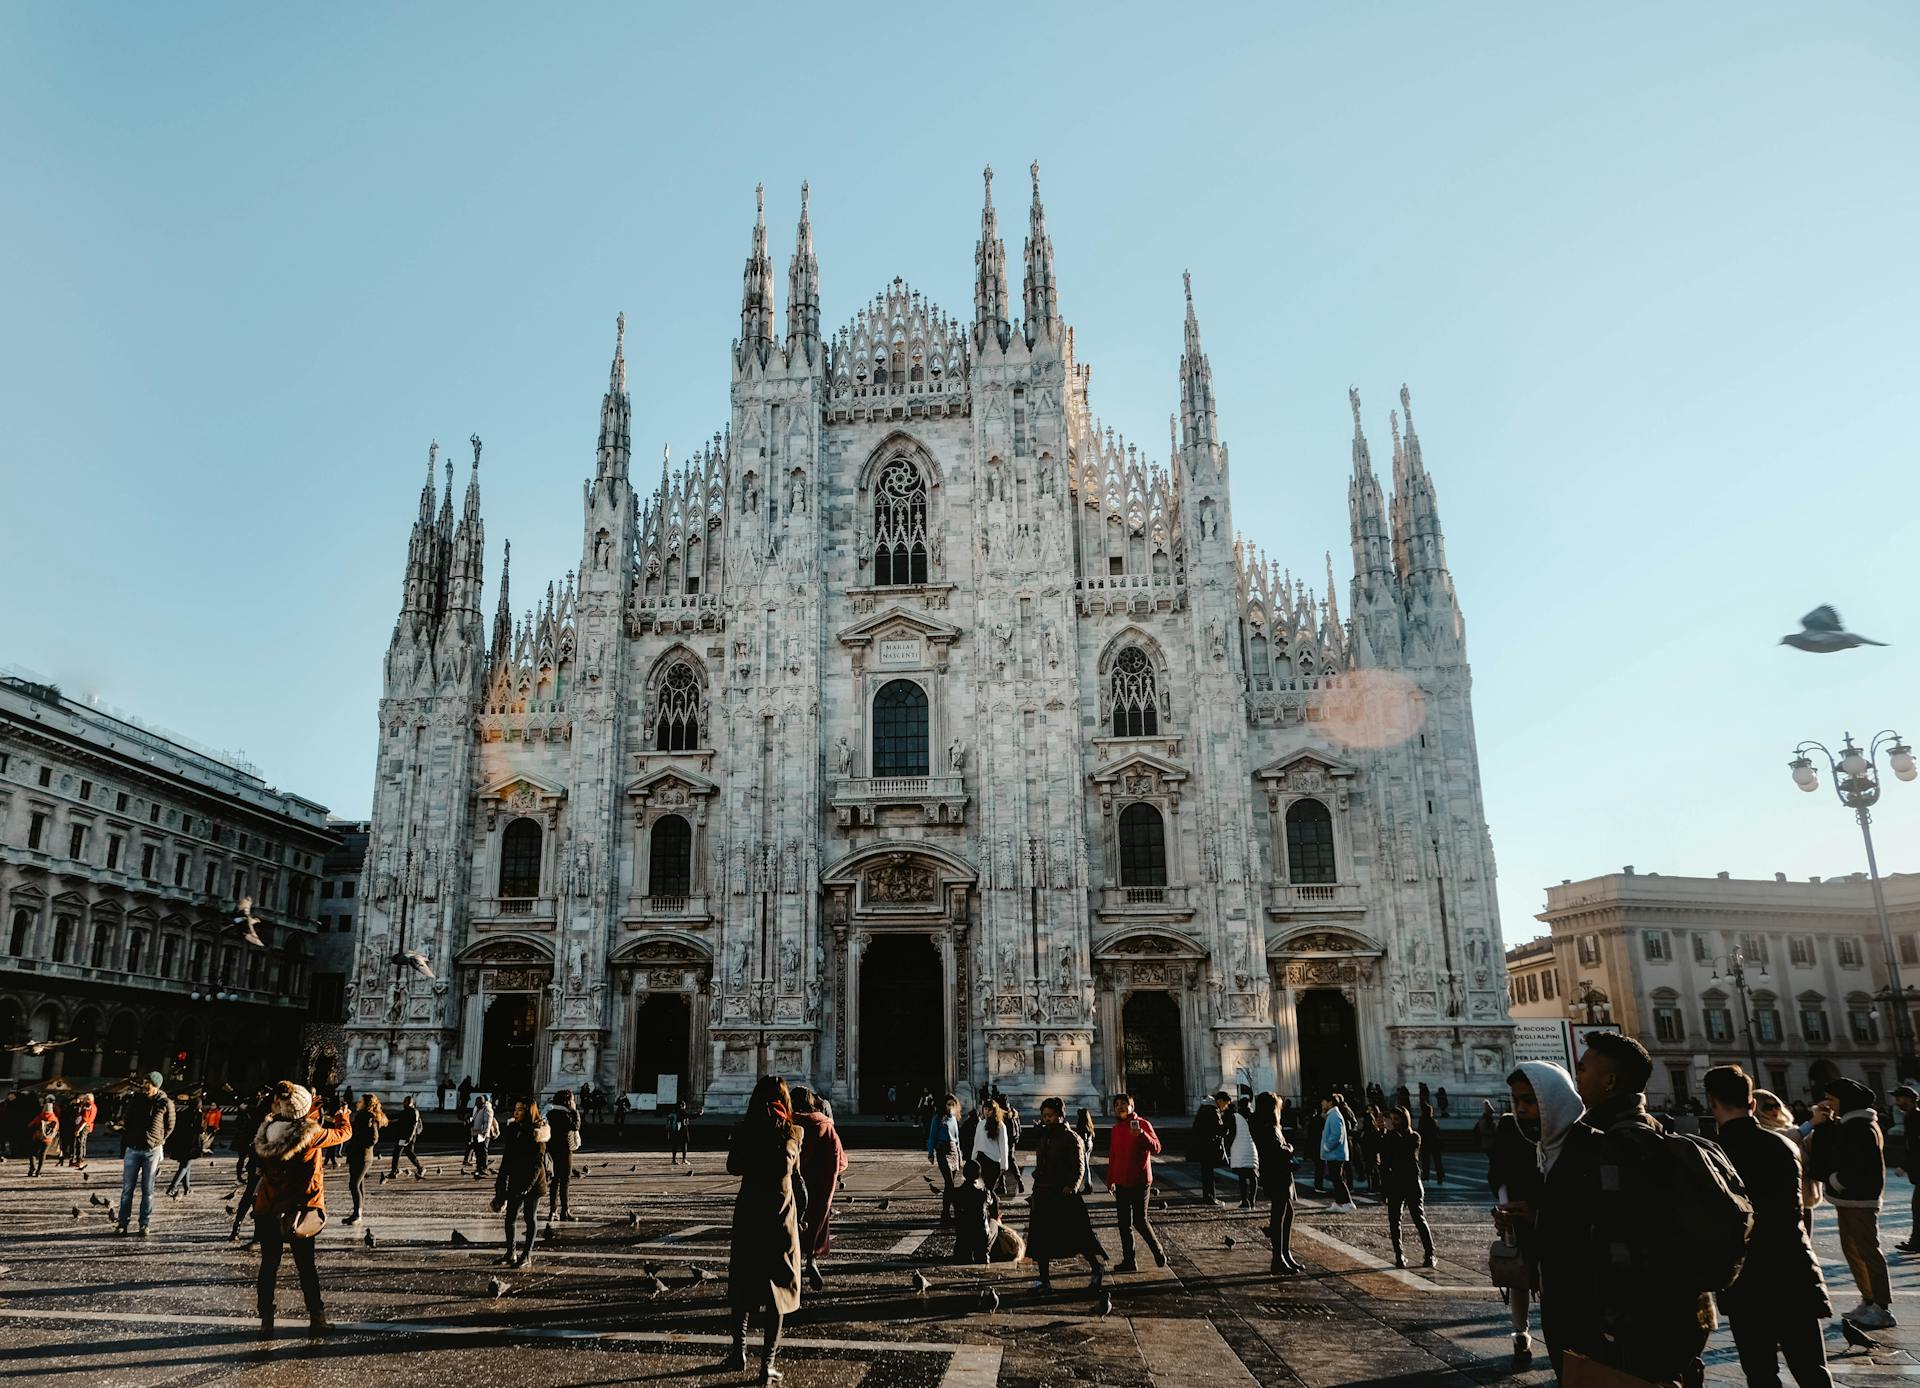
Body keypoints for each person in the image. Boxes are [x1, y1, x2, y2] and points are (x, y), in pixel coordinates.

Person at [1533, 1031, 1715, 1385]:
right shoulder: (1659, 1131)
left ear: (1610, 1080)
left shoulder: (1600, 1143)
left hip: (1620, 1316)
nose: (1577, 1077)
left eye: (1583, 1069)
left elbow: (1601, 1232)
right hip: (1677, 1308)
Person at [1704, 1065, 1833, 1387]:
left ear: (1712, 1103)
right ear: (1751, 1104)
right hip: (1792, 1265)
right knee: (1812, 1369)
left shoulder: (1711, 1154)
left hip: (1745, 1276)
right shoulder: (1783, 1146)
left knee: (1761, 1373)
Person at [1489, 1062, 1577, 1370]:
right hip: (1520, 1220)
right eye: (1517, 1101)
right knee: (1519, 1276)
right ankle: (1521, 1332)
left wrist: (1537, 1214)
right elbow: (1498, 1171)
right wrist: (1504, 1206)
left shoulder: (1578, 1139)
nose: (1522, 1108)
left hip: (1564, 1241)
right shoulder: (1510, 1128)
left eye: (1529, 1100)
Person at [251, 1082, 352, 1337]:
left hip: (267, 1209)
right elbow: (343, 1133)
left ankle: (266, 1320)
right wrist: (343, 1115)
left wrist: (310, 1111)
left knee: (268, 1265)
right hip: (299, 1211)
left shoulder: (269, 1130)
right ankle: (317, 1318)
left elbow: (292, 1122)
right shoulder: (312, 1135)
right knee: (306, 1267)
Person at [723, 1076, 804, 1382]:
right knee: (779, 1286)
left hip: (749, 1213)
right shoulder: (794, 1132)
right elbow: (794, 1174)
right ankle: (766, 1363)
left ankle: (738, 1351)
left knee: (743, 1281)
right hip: (779, 1216)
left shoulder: (746, 1129)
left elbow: (734, 1166)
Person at [1809, 1076, 1893, 1328]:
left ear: (1845, 1100)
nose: (1829, 1103)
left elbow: (1861, 1165)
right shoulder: (1850, 1124)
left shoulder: (1861, 1127)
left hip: (1860, 1199)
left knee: (1867, 1251)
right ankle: (1869, 1301)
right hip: (1849, 1199)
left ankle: (1881, 1306)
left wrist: (1838, 1180)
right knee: (1854, 1251)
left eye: (1832, 1099)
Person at [1026, 1096, 1107, 1293]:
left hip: (1063, 1194)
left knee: (1078, 1236)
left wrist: (1072, 1186)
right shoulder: (1044, 1136)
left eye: (1051, 1116)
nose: (1047, 1119)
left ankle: (1096, 1267)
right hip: (1043, 1192)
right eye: (1044, 1116)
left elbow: (1079, 1166)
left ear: (1061, 1116)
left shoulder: (1071, 1137)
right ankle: (1044, 1280)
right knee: (1041, 1239)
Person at [791, 1086, 846, 1290]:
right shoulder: (824, 1125)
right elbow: (841, 1159)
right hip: (818, 1186)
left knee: (791, 1227)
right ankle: (811, 1260)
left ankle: (790, 1270)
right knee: (815, 1223)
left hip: (794, 1185)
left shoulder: (789, 1124)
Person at [1107, 1094, 1166, 1272]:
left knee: (1140, 1220)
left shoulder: (1143, 1124)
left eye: (1124, 1104)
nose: (1120, 1107)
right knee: (1124, 1223)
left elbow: (1157, 1148)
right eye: (1116, 1104)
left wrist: (1142, 1135)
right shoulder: (1116, 1129)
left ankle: (1158, 1251)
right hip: (1122, 1182)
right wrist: (1110, 1180)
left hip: (1140, 1180)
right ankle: (1129, 1261)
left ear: (1132, 1106)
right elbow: (1113, 1156)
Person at [490, 1096, 550, 1267]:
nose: (516, 1113)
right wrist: (500, 1181)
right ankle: (511, 1253)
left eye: (521, 1109)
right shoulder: (513, 1128)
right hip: (516, 1179)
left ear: (529, 1111)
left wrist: (527, 1186)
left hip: (534, 1181)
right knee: (510, 1217)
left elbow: (538, 1163)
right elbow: (507, 1157)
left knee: (530, 1217)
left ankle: (527, 1255)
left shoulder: (539, 1131)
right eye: (515, 1109)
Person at [114, 1074, 174, 1235]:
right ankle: (122, 1223)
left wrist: (157, 1140)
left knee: (148, 1190)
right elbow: (127, 1120)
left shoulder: (165, 1102)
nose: (145, 1085)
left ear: (157, 1085)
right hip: (133, 1148)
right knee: (127, 1190)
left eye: (148, 1083)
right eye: (145, 1082)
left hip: (151, 1150)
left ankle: (144, 1224)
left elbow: (170, 1126)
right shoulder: (136, 1100)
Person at [1378, 1106, 1435, 1269]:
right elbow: (1384, 1160)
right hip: (1394, 1183)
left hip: (1411, 1182)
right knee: (1394, 1221)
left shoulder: (1414, 1137)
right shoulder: (1388, 1137)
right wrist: (1384, 1190)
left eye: (1397, 1119)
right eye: (1392, 1119)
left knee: (1419, 1218)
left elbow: (1407, 1154)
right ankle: (1399, 1255)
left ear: (1405, 1119)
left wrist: (1390, 1134)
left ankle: (1430, 1253)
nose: (1394, 1122)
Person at [1249, 1093, 1300, 1274]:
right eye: (1278, 1106)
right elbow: (1278, 1151)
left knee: (1288, 1214)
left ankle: (1285, 1255)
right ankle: (1278, 1258)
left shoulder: (1267, 1125)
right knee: (1279, 1217)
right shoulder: (1267, 1127)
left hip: (1278, 1174)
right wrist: (1290, 1148)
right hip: (1276, 1175)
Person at [341, 1094, 386, 1225]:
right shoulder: (362, 1115)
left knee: (353, 1184)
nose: (357, 1103)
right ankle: (358, 1212)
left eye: (360, 1101)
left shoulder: (368, 1117)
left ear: (366, 1104)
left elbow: (373, 1138)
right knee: (359, 1184)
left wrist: (360, 1145)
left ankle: (357, 1214)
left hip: (363, 1156)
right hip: (358, 1154)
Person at [1890, 1085, 1920, 1253]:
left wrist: (1904, 1165)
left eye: (1899, 1098)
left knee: (1918, 1207)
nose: (1897, 1102)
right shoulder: (1910, 1117)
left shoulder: (1915, 1117)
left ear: (1909, 1100)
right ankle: (1916, 1242)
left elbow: (1916, 1146)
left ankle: (1916, 1243)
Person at [952, 1158, 998, 1264]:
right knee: (994, 1222)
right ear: (978, 1175)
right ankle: (985, 1253)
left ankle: (963, 1253)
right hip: (980, 1237)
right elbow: (994, 1210)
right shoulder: (984, 1193)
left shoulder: (956, 1193)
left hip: (963, 1236)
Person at [926, 1093, 962, 1225]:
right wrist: (930, 1153)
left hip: (953, 1151)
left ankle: (946, 1214)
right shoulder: (938, 1118)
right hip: (942, 1150)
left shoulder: (954, 1119)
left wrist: (960, 1156)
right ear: (944, 1105)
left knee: (949, 1185)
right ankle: (954, 1211)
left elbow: (957, 1139)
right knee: (950, 1183)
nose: (950, 1107)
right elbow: (931, 1136)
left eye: (953, 1104)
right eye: (948, 1104)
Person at [546, 1089, 580, 1221]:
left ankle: (552, 1211)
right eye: (572, 1099)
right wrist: (575, 1111)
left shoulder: (551, 1113)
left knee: (554, 1181)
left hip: (552, 1149)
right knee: (565, 1181)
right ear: (568, 1101)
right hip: (565, 1150)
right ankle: (565, 1211)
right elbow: (575, 1126)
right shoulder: (566, 1114)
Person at [164, 1093, 206, 1196]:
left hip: (182, 1143)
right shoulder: (198, 1115)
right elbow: (200, 1129)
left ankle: (187, 1188)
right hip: (192, 1143)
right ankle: (173, 1187)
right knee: (185, 1166)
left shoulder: (184, 1113)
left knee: (187, 1165)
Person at [1318, 1095, 1355, 1212]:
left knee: (1338, 1178)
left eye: (1323, 1101)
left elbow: (1337, 1134)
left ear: (1330, 1103)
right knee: (1335, 1178)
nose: (1322, 1103)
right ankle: (1339, 1202)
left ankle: (1348, 1202)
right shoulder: (1332, 1115)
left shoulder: (1334, 1116)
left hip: (1335, 1153)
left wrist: (1327, 1147)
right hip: (1334, 1153)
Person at [1225, 1093, 1259, 1208]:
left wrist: (1228, 1146)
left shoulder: (1235, 1117)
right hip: (1252, 1148)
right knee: (1253, 1175)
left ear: (1239, 1106)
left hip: (1239, 1148)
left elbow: (1231, 1134)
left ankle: (1245, 1201)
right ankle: (1252, 1200)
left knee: (1242, 1177)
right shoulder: (1254, 1116)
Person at [1188, 1098, 1225, 1205]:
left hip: (1202, 1147)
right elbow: (1219, 1129)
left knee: (1206, 1173)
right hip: (1209, 1147)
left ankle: (1208, 1197)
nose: (1226, 1106)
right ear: (1220, 1101)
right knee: (1209, 1174)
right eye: (1226, 1103)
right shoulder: (1213, 1111)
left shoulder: (1203, 1109)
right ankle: (1210, 1198)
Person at [972, 1099, 1012, 1194]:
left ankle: (993, 1208)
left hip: (993, 1162)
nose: (987, 1111)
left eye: (990, 1109)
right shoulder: (980, 1124)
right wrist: (972, 1159)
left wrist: (1004, 1164)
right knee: (980, 1190)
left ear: (994, 1111)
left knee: (989, 1190)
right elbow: (976, 1143)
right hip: (980, 1159)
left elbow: (1004, 1146)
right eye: (985, 1108)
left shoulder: (1000, 1126)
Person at [386, 1095, 424, 1181]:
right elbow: (395, 1116)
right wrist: (383, 1116)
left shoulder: (413, 1112)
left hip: (406, 1137)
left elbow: (413, 1126)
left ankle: (394, 1171)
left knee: (397, 1152)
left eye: (406, 1101)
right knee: (408, 1152)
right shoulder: (406, 1111)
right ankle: (419, 1167)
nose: (404, 1103)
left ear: (411, 1102)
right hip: (405, 1136)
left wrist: (409, 1137)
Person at [26, 1095, 59, 1176]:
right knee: (42, 1154)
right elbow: (57, 1129)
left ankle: (32, 1168)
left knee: (33, 1152)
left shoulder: (40, 1116)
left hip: (37, 1137)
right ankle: (38, 1171)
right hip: (47, 1139)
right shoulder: (55, 1118)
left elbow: (30, 1125)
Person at [467, 1092, 498, 1175]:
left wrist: (485, 1132)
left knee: (483, 1151)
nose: (476, 1103)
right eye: (476, 1102)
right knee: (477, 1151)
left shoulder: (487, 1109)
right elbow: (474, 1118)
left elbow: (488, 1122)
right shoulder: (477, 1108)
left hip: (483, 1134)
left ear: (483, 1102)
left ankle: (483, 1168)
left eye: (478, 1102)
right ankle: (479, 1168)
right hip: (476, 1133)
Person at [1417, 1102, 1446, 1183]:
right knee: (1437, 1161)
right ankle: (1440, 1176)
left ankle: (1426, 1176)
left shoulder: (1422, 1120)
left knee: (1426, 1160)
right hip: (1435, 1142)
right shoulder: (1433, 1121)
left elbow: (1420, 1131)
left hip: (1426, 1142)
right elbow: (1437, 1132)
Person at [66, 1092, 95, 1170]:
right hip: (89, 1126)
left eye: (85, 1099)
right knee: (82, 1143)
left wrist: (78, 1130)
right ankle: (79, 1159)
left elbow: (84, 1120)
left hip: (83, 1126)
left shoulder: (87, 1106)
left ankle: (79, 1161)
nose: (83, 1100)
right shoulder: (94, 1106)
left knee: (79, 1143)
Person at [1073, 1108, 1098, 1194]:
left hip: (1085, 1145)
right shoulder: (1089, 1124)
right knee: (1086, 1164)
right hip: (1090, 1144)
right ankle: (1088, 1184)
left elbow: (1083, 1137)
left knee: (1085, 1166)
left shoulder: (1082, 1124)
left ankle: (1088, 1184)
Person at [667, 1098, 691, 1165]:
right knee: (684, 1145)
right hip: (682, 1131)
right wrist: (700, 1114)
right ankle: (684, 1159)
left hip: (674, 1131)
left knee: (674, 1145)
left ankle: (673, 1160)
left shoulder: (673, 1112)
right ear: (682, 1105)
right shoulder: (682, 1111)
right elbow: (691, 1116)